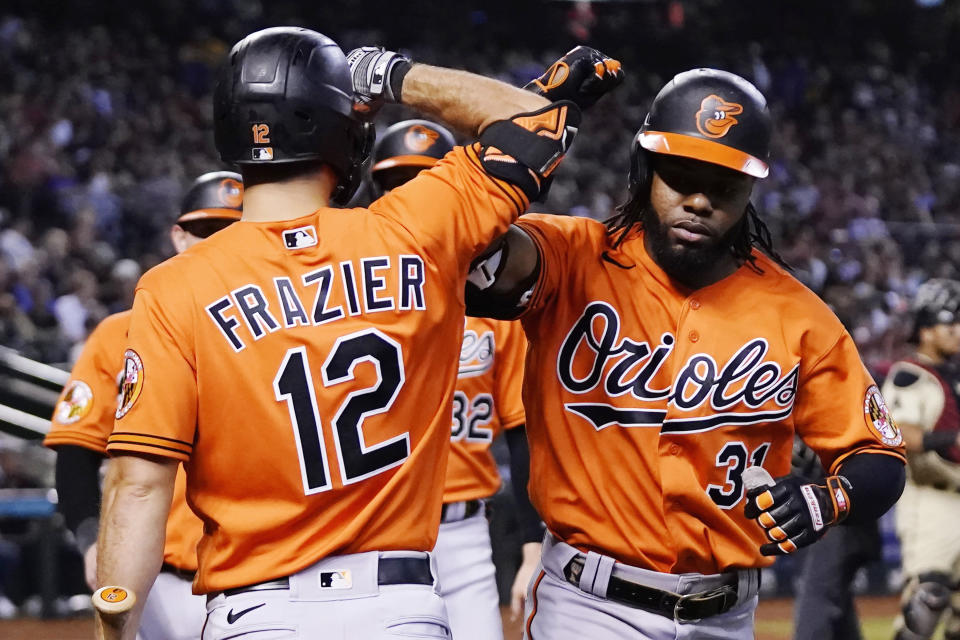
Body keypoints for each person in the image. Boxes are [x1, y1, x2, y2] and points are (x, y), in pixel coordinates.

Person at [94, 28, 615, 640]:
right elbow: (536, 119)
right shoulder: (414, 229)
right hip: (397, 607)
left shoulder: (174, 286)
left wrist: (115, 628)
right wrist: (389, 76)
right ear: (341, 128)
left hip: (255, 612)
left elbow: (138, 485)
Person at [465, 67, 907, 638]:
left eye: (722, 185)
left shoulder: (797, 313)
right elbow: (477, 258)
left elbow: (880, 457)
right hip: (589, 608)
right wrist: (514, 133)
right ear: (646, 170)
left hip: (726, 614)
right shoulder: (571, 257)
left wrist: (831, 497)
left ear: (750, 190)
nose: (698, 200)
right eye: (680, 175)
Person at [44, 171, 243, 639]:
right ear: (178, 237)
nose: (217, 248)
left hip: (267, 577)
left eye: (233, 233)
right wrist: (92, 540)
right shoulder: (120, 333)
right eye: (205, 233)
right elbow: (76, 451)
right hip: (164, 585)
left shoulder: (292, 326)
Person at [370, 119, 545, 639]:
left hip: (467, 534)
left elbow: (522, 429)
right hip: (373, 532)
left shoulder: (496, 312)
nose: (415, 198)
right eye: (398, 184)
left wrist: (533, 545)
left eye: (428, 181)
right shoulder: (352, 297)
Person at [881, 278, 960, 640]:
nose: (958, 331)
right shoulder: (909, 375)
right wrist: (950, 439)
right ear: (926, 330)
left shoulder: (953, 375)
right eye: (950, 324)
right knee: (929, 598)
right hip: (932, 496)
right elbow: (898, 432)